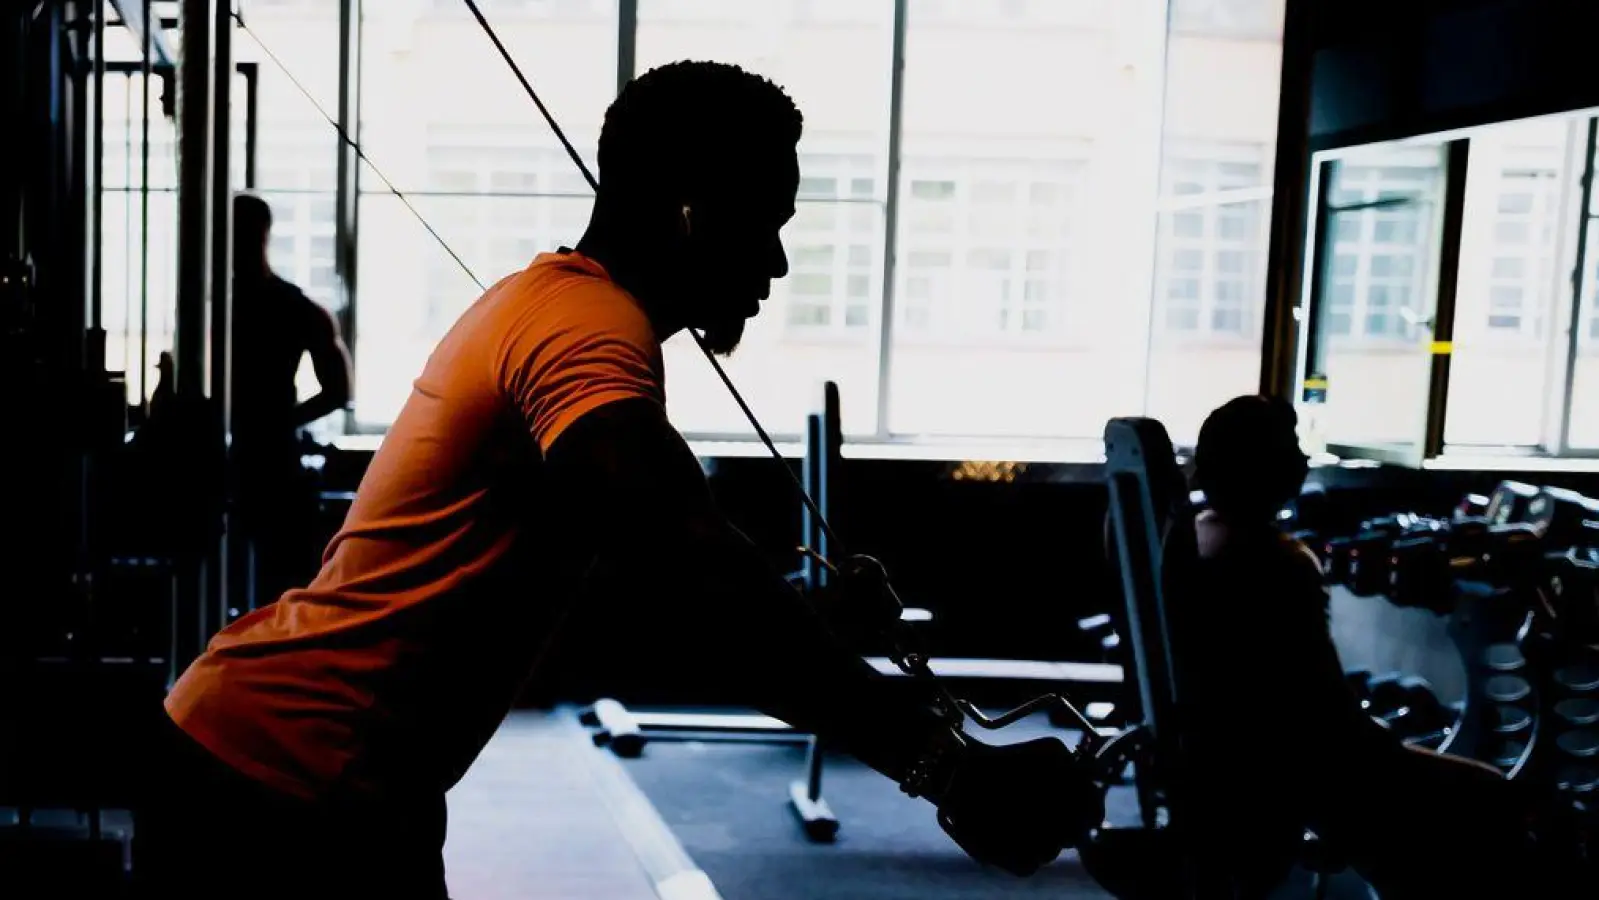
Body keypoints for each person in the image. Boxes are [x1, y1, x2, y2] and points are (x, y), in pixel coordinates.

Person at [134, 62, 1099, 900]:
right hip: (287, 776)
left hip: (324, 774)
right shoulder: (587, 330)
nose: (774, 263)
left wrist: (800, 615)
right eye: (765, 225)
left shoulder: (559, 305)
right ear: (693, 214)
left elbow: (645, 583)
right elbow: (692, 569)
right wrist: (943, 767)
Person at [1178, 395, 1555, 898]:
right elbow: (1331, 716)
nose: (1302, 459)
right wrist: (1390, 744)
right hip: (1309, 770)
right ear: (1257, 464)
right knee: (1496, 797)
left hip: (1240, 753)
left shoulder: (1199, 536)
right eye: (1289, 447)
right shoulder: (1279, 561)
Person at [228, 193, 353, 607]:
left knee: (273, 589)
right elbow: (339, 390)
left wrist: (279, 422)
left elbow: (340, 390)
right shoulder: (213, 304)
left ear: (261, 234)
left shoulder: (292, 307)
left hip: (269, 464)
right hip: (233, 458)